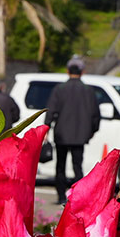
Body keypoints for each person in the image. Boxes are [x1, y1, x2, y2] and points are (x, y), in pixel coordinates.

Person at [44, 56, 98, 200]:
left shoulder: (59, 89)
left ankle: (61, 196)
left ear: (68, 71)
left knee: (60, 166)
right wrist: (91, 131)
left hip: (61, 134)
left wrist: (46, 128)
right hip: (80, 136)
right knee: (77, 167)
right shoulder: (88, 90)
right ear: (82, 72)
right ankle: (79, 197)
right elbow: (95, 115)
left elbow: (50, 111)